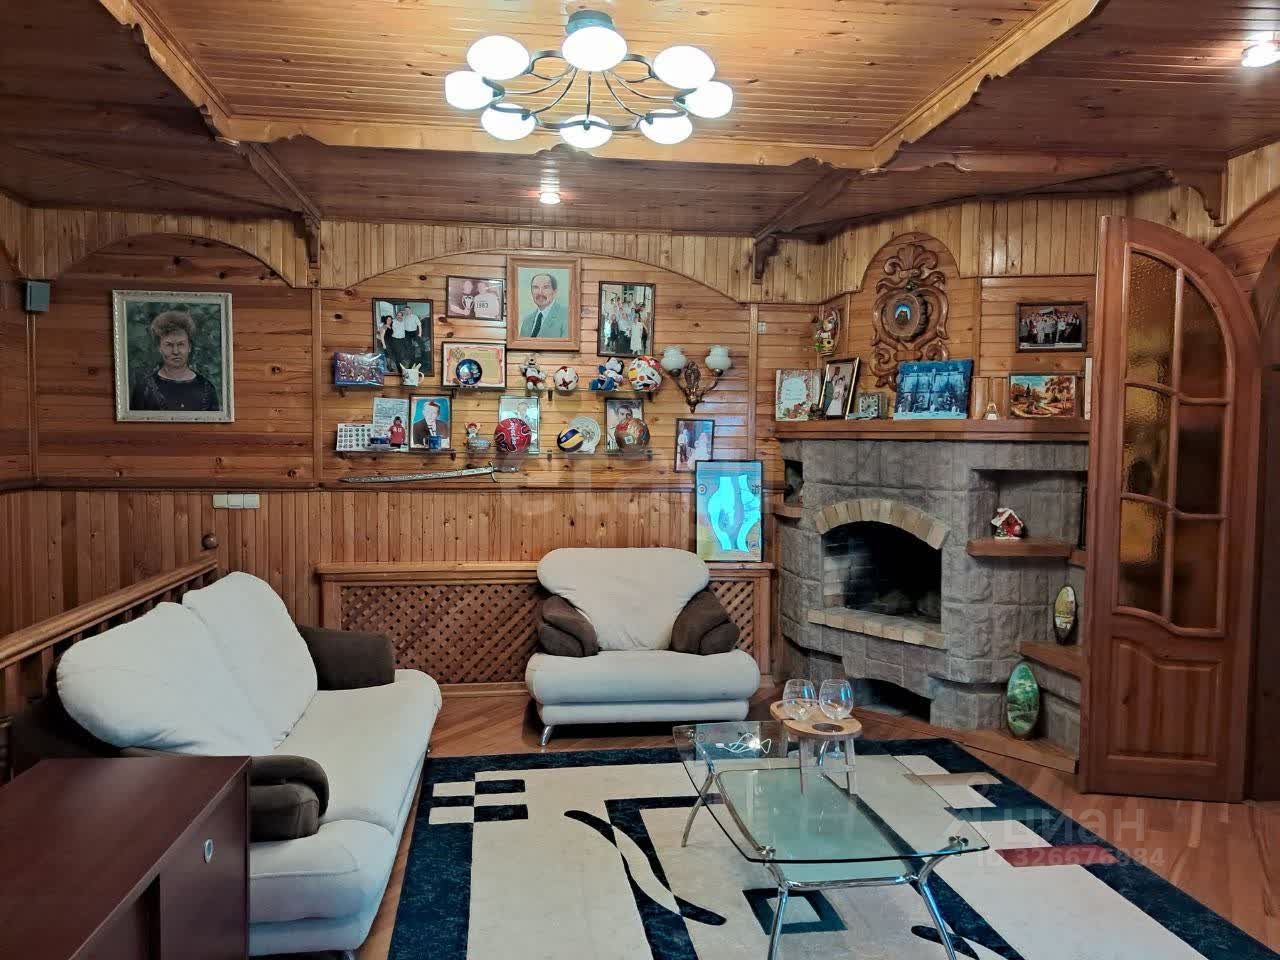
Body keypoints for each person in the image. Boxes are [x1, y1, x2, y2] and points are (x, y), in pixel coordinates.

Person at [129, 309, 220, 412]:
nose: (175, 351)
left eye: (181, 344)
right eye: (169, 345)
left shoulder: (206, 388)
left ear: (189, 347)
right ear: (159, 348)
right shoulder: (144, 389)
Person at [518, 272, 567, 339]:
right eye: (536, 287)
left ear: (554, 291)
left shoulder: (566, 316)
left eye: (546, 287)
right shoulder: (527, 321)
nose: (540, 292)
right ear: (531, 291)